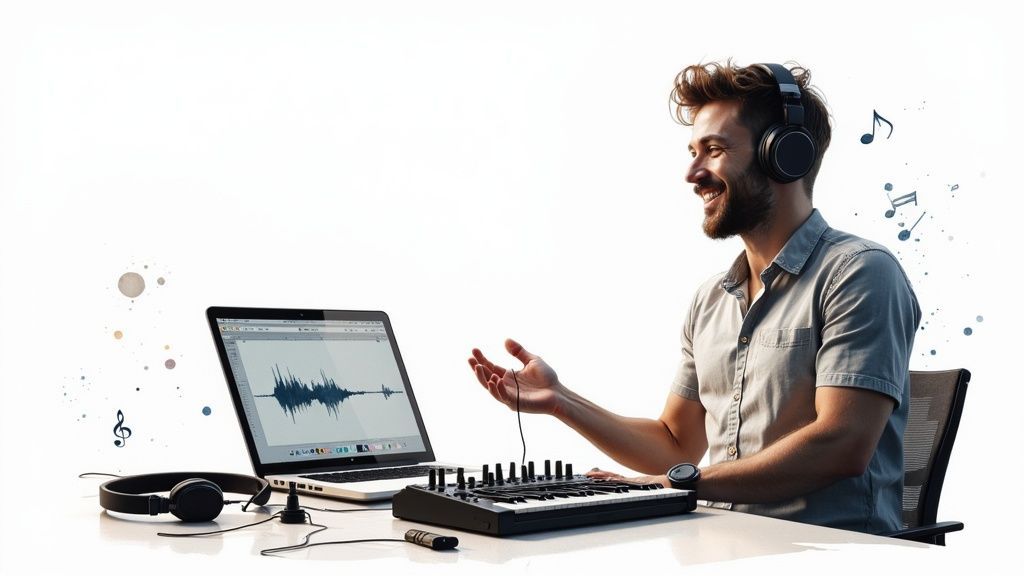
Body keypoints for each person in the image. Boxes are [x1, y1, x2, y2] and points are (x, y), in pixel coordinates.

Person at [467, 60, 921, 535]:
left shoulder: (860, 273)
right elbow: (675, 443)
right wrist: (561, 401)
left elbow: (842, 444)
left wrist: (677, 484)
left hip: (830, 555)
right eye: (692, 152)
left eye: (714, 150)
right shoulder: (711, 300)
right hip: (721, 547)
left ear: (784, 155)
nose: (692, 173)